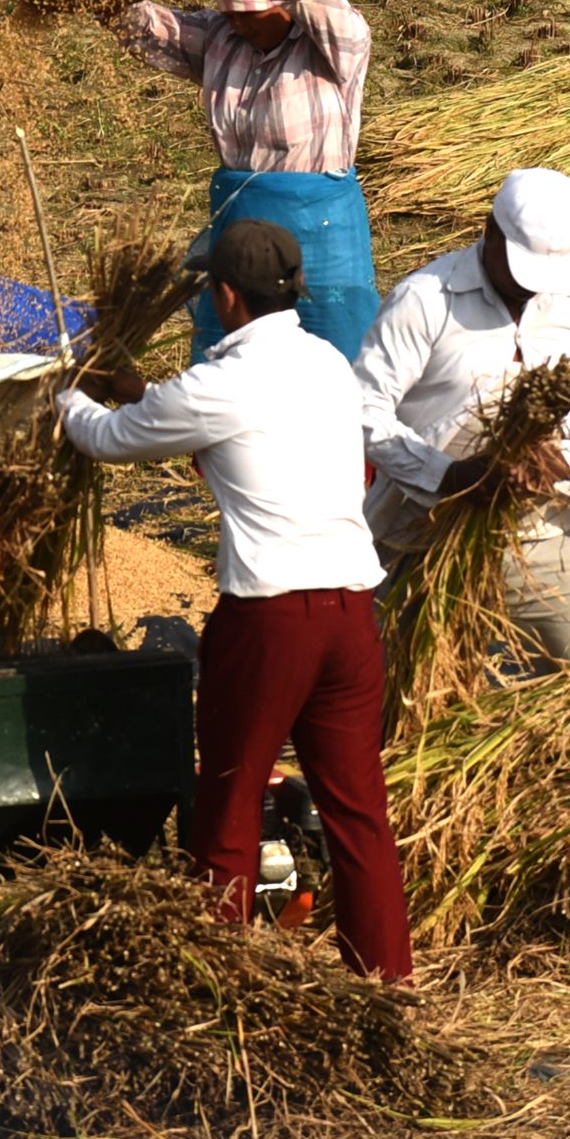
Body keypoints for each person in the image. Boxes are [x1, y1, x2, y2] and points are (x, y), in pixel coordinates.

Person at [57, 218, 408, 977]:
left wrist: (66, 394)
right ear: (293, 290)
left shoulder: (220, 382)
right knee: (357, 813)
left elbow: (110, 440)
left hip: (271, 618)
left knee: (230, 799)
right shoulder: (327, 364)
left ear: (222, 295)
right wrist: (142, 395)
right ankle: (387, 983)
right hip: (351, 612)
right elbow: (232, 428)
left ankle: (222, 984)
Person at [357, 167, 570, 667]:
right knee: (406, 679)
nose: (530, 288)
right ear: (490, 231)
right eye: (521, 268)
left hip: (537, 528)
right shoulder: (426, 298)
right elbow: (361, 408)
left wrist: (561, 462)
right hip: (423, 530)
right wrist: (447, 474)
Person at [116, 0, 385, 362]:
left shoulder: (331, 47)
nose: (238, 25)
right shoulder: (225, 38)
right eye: (230, 15)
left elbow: (330, 10)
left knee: (338, 354)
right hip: (242, 222)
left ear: (281, 3)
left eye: (249, 14)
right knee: (240, 356)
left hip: (319, 227)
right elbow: (160, 31)